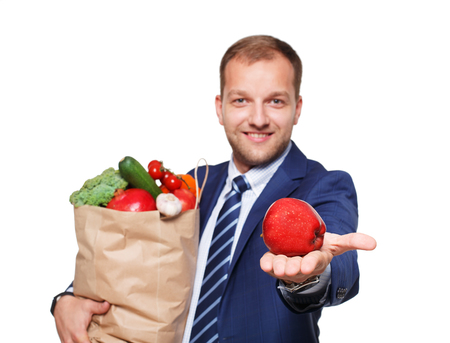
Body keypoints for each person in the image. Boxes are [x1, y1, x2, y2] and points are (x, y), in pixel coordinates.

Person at [52, 35, 376, 343]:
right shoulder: (193, 184)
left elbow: (337, 261)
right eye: (241, 100)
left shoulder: (325, 185)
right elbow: (134, 252)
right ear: (220, 108)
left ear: (297, 108)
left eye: (275, 101)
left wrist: (310, 276)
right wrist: (68, 298)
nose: (258, 118)